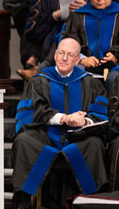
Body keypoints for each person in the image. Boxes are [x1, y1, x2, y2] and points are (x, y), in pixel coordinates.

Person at [12, 37, 108, 209]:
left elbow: (101, 112)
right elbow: (32, 111)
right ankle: (23, 200)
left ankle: (93, 201)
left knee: (95, 143)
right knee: (24, 140)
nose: (64, 58)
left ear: (78, 59)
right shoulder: (39, 80)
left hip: (78, 137)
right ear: (55, 55)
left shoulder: (91, 83)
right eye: (61, 53)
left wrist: (83, 121)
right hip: (44, 136)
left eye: (70, 55)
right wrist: (65, 118)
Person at [18, 0, 89, 80]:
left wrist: (88, 9)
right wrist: (55, 15)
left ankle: (39, 69)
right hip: (53, 47)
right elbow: (31, 33)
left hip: (89, 46)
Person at [65, 0, 119, 93]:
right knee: (74, 75)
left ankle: (113, 112)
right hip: (84, 65)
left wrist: (115, 56)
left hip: (115, 67)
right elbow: (69, 42)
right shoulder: (78, 15)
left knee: (115, 78)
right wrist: (82, 59)